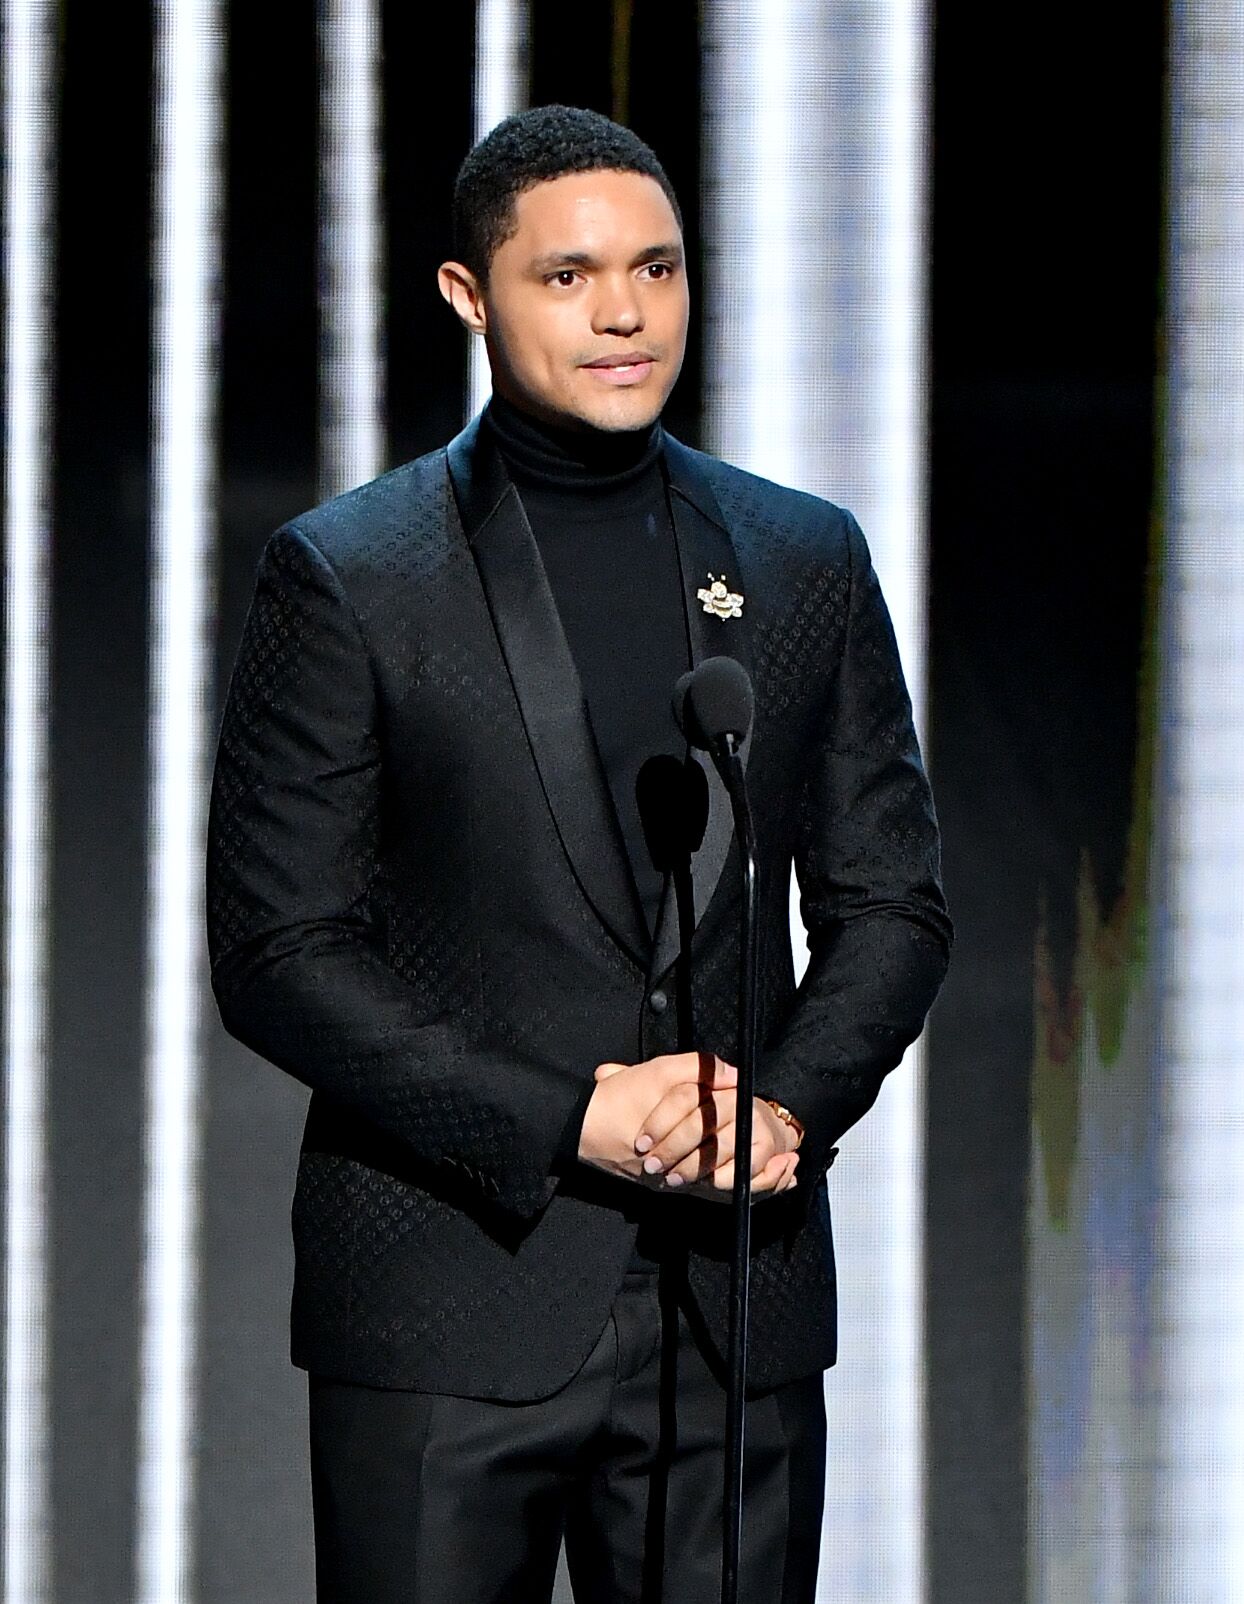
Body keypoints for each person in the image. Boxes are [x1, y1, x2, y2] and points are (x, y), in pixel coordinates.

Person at [206, 104, 951, 1604]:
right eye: (567, 276)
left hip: (733, 1304)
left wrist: (789, 1111)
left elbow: (888, 903)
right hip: (443, 1300)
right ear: (469, 296)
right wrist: (571, 1120)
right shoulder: (354, 577)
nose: (625, 312)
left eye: (658, 268)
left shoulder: (803, 557)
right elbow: (281, 956)